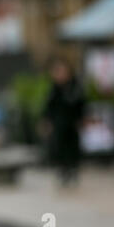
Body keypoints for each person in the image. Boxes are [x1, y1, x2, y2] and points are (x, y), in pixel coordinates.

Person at [41, 57, 85, 187]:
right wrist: (46, 121)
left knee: (72, 149)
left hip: (72, 124)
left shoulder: (75, 87)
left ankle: (73, 170)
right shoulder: (54, 89)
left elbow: (81, 105)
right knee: (59, 147)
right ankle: (62, 171)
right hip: (59, 124)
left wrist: (81, 119)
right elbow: (48, 106)